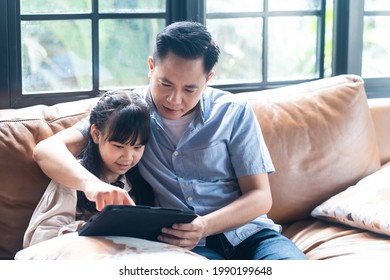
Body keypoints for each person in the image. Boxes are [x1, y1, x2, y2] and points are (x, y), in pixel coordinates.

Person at [33, 21, 307, 259]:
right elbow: (47, 150)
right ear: (151, 67)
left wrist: (205, 225)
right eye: (165, 84)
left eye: (190, 89)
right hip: (183, 246)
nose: (174, 100)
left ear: (208, 78)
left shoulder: (234, 113)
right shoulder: (130, 112)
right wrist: (92, 185)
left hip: (252, 235)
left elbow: (260, 197)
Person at [24, 90, 154, 247]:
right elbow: (40, 238)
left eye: (137, 147)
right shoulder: (71, 175)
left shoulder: (139, 181)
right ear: (96, 134)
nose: (128, 156)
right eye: (118, 146)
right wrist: (88, 229)